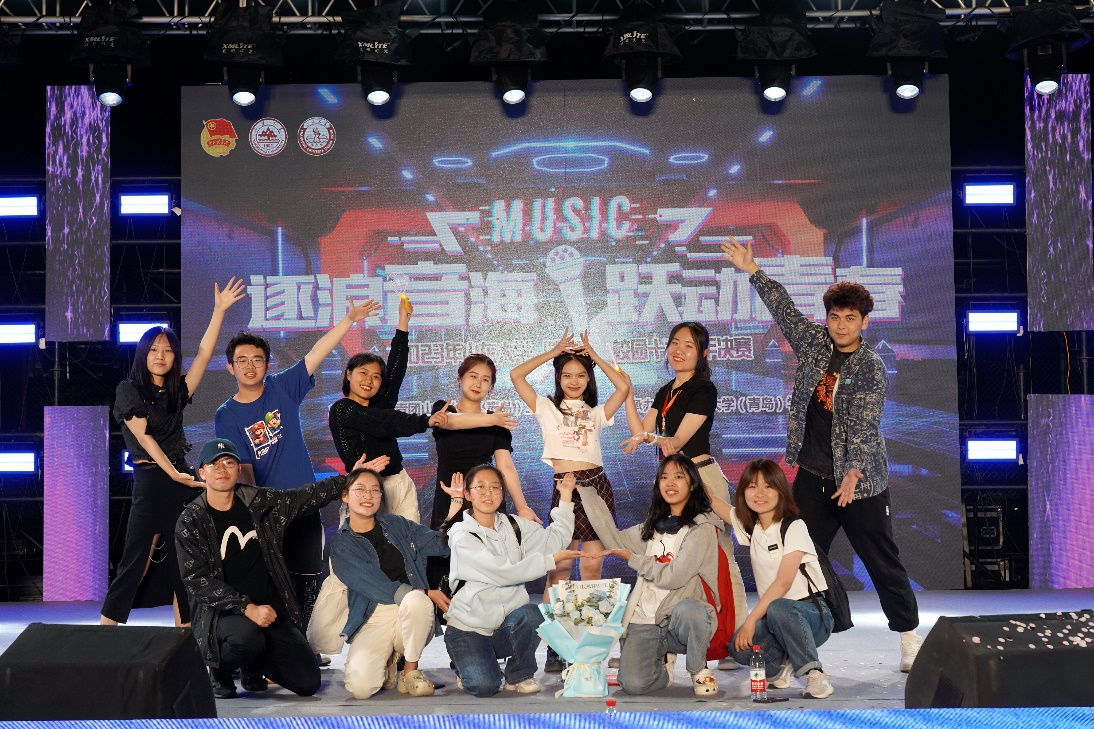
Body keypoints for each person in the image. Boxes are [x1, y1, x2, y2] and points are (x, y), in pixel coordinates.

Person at [722, 239, 922, 671]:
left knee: (882, 562)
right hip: (814, 477)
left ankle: (908, 636)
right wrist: (752, 270)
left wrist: (853, 473)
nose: (841, 326)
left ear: (864, 321)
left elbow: (866, 425)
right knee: (799, 560)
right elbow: (784, 310)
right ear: (827, 318)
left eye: (850, 319)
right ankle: (794, 643)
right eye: (835, 317)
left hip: (861, 485)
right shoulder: (814, 343)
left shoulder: (870, 366)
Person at [213, 298, 381, 631]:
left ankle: (304, 645)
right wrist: (254, 513)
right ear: (230, 367)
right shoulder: (226, 414)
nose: (250, 366)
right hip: (266, 508)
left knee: (308, 579)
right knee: (270, 579)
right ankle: (276, 645)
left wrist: (349, 319)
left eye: (257, 360)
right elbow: (242, 469)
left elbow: (317, 353)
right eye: (242, 360)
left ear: (267, 364)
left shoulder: (282, 388)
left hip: (305, 501)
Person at [175, 438, 371, 699]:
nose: (221, 469)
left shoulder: (260, 503)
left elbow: (305, 497)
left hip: (271, 611)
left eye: (229, 463)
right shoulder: (191, 520)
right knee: (246, 638)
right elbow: (196, 579)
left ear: (238, 470)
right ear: (202, 472)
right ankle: (219, 672)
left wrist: (348, 479)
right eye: (213, 464)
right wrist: (246, 607)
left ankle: (252, 666)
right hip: (224, 615)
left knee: (308, 683)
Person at [102, 279, 246, 627]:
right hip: (153, 481)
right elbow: (145, 438)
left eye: (167, 351)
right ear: (143, 354)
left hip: (181, 482)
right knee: (136, 559)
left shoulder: (178, 391)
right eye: (154, 350)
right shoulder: (128, 390)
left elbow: (205, 353)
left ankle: (187, 634)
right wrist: (174, 474)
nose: (160, 356)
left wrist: (219, 311)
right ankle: (105, 632)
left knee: (186, 562)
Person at [618, 321, 748, 665]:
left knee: (721, 560)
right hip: (674, 481)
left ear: (702, 353)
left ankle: (734, 639)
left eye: (688, 345)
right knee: (669, 557)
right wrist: (628, 393)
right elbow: (640, 430)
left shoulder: (704, 389)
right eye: (675, 343)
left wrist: (648, 438)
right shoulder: (665, 391)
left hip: (702, 478)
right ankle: (667, 638)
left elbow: (675, 442)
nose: (679, 350)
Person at [510, 328, 630, 673]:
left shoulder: (596, 412)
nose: (574, 381)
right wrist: (553, 352)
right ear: (558, 378)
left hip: (596, 487)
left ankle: (587, 642)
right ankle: (556, 645)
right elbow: (516, 375)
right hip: (564, 488)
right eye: (566, 375)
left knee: (592, 568)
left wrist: (594, 354)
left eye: (580, 375)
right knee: (559, 568)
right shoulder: (546, 407)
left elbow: (623, 387)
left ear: (588, 378)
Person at [314, 467, 465, 699]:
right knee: (360, 689)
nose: (368, 496)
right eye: (360, 489)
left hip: (412, 610)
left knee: (416, 600)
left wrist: (455, 505)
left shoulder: (397, 525)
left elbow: (440, 545)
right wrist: (427, 592)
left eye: (375, 490)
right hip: (373, 616)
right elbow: (375, 585)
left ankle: (410, 671)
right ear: (345, 496)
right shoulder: (342, 544)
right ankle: (389, 661)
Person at [579, 454, 722, 696]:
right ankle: (663, 668)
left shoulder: (702, 527)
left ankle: (698, 669)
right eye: (664, 477)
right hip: (645, 618)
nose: (670, 483)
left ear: (692, 484)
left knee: (690, 611)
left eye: (679, 477)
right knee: (633, 684)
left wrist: (635, 559)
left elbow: (674, 576)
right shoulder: (653, 526)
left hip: (680, 619)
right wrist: (587, 493)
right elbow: (614, 539)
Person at [444, 464, 581, 697]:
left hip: (504, 627)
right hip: (469, 628)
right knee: (484, 686)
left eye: (494, 488)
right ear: (467, 494)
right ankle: (464, 662)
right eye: (480, 487)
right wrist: (549, 561)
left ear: (502, 493)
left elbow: (555, 540)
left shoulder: (514, 525)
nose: (488, 493)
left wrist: (566, 497)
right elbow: (502, 572)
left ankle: (519, 675)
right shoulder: (461, 534)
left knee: (533, 613)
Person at [708, 459, 835, 699]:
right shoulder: (752, 527)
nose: (760, 493)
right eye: (752, 486)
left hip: (812, 614)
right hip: (776, 618)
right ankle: (781, 666)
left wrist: (751, 619)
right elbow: (716, 503)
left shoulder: (793, 526)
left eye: (768, 486)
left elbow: (784, 583)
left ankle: (814, 673)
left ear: (780, 490)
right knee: (739, 648)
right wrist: (693, 478)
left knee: (778, 608)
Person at [426, 353, 538, 594]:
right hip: (450, 497)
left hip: (486, 499)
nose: (478, 383)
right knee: (446, 559)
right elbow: (448, 422)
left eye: (485, 380)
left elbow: (505, 467)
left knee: (490, 566)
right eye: (473, 376)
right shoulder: (444, 409)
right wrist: (492, 420)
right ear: (460, 379)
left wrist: (522, 507)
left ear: (491, 386)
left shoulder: (497, 422)